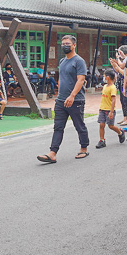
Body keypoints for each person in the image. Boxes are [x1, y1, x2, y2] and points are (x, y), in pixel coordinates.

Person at [37, 35, 89, 163]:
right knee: (58, 127)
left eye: (68, 43)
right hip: (61, 100)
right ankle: (52, 153)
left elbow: (81, 79)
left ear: (74, 45)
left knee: (79, 125)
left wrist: (72, 96)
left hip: (76, 100)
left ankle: (84, 148)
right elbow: (61, 78)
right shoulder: (62, 61)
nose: (65, 45)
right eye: (63, 43)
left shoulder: (79, 61)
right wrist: (59, 94)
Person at [95, 69, 126, 149]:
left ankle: (120, 132)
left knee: (110, 126)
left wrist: (111, 112)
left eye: (104, 76)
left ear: (108, 77)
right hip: (102, 109)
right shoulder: (105, 86)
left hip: (109, 110)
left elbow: (113, 101)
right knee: (101, 124)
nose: (103, 77)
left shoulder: (113, 88)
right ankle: (102, 140)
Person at [111, 45, 127, 126]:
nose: (118, 55)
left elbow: (124, 72)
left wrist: (117, 62)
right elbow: (118, 71)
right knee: (122, 101)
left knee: (126, 101)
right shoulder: (122, 60)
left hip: (125, 82)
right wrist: (114, 64)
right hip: (120, 81)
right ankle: (125, 117)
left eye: (119, 53)